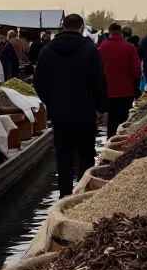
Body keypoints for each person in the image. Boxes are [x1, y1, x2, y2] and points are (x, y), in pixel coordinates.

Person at [34, 13, 108, 196]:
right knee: (85, 154)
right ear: (82, 28)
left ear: (63, 27)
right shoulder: (90, 49)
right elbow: (98, 80)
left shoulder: (48, 50)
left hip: (60, 115)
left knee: (63, 156)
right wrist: (101, 108)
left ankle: (64, 196)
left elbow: (38, 81)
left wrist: (51, 101)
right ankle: (83, 195)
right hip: (85, 113)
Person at [98, 22, 143, 137]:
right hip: (126, 92)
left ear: (110, 33)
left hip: (108, 93)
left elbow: (98, 71)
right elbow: (137, 71)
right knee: (124, 124)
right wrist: (135, 86)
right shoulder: (129, 47)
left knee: (111, 124)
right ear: (121, 33)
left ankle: (110, 146)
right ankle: (123, 148)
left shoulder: (102, 48)